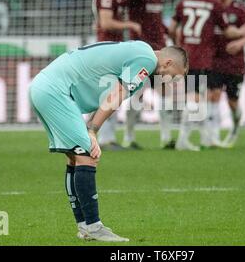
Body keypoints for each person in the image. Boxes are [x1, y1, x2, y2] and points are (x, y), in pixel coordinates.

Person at [29, 41, 188, 242]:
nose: (170, 81)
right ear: (168, 62)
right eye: (174, 76)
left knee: (75, 157)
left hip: (43, 87)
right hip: (56, 91)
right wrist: (93, 130)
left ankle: (85, 226)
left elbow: (109, 96)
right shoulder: (146, 60)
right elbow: (117, 94)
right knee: (86, 155)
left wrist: (91, 128)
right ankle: (94, 227)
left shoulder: (139, 50)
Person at [169, 0, 245, 151]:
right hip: (202, 57)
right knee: (195, 98)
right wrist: (244, 33)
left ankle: (204, 138)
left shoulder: (184, 2)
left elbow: (173, 28)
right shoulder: (213, 5)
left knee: (197, 96)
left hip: (186, 55)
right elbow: (228, 32)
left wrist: (177, 44)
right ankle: (183, 139)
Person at [119, 0, 173, 149]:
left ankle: (167, 138)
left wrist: (169, 32)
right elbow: (119, 3)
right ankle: (128, 137)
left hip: (159, 50)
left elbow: (156, 21)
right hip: (140, 52)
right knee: (137, 93)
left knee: (164, 90)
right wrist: (127, 24)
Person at [92, 0, 142, 151]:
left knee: (111, 92)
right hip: (107, 48)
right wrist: (129, 24)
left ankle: (103, 136)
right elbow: (105, 22)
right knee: (110, 93)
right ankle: (105, 138)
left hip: (109, 47)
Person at [209, 0, 245, 148]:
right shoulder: (211, 8)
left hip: (234, 63)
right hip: (213, 61)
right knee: (213, 96)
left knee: (232, 101)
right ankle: (213, 136)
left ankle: (235, 127)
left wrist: (239, 42)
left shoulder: (239, 10)